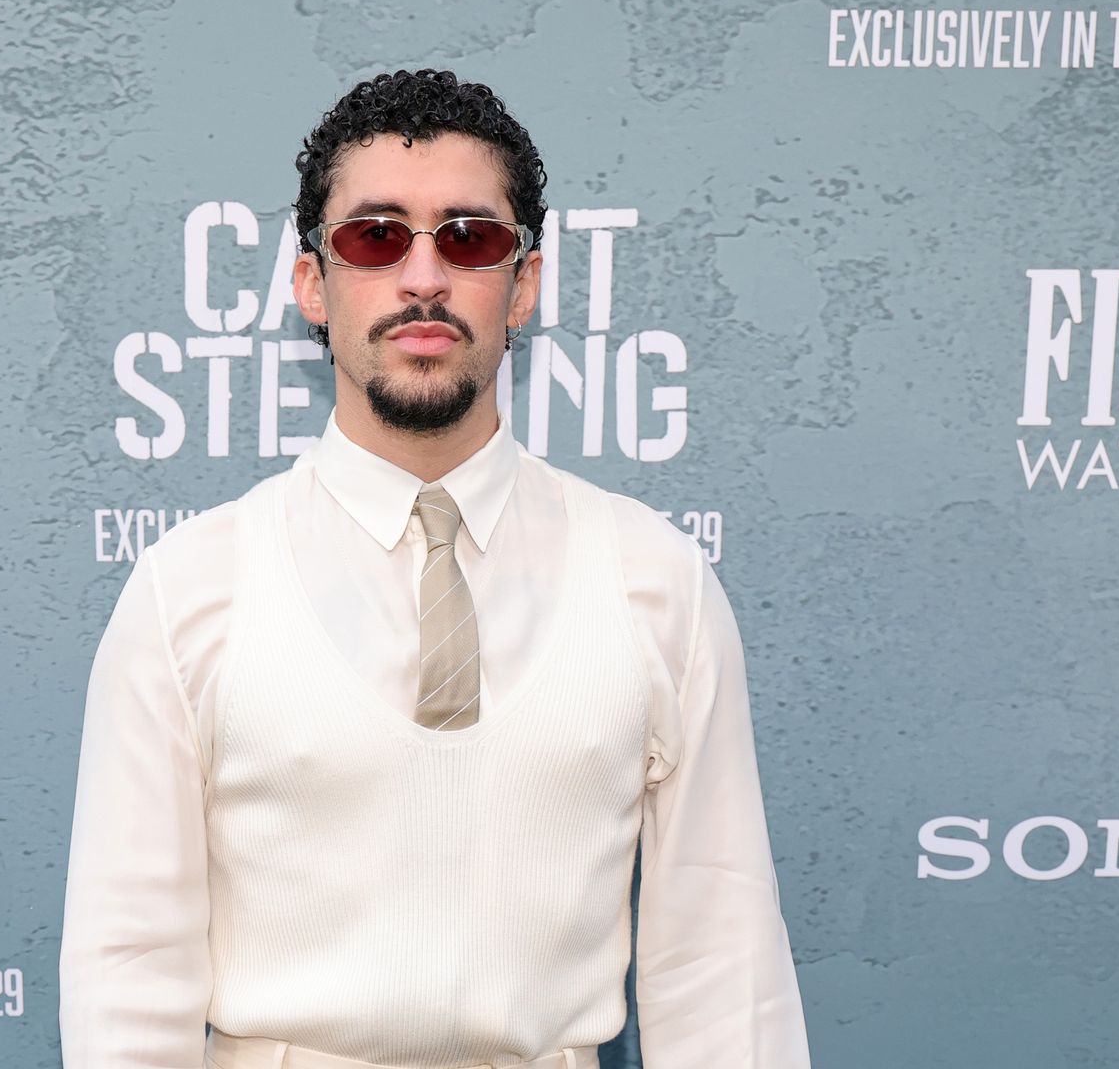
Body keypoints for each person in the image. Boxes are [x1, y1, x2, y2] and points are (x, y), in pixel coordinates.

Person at [60, 68, 811, 1069]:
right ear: (312, 285)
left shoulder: (657, 583)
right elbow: (127, 976)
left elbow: (723, 972)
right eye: (377, 238)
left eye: (469, 238)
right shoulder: (188, 592)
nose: (423, 277)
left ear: (524, 283)